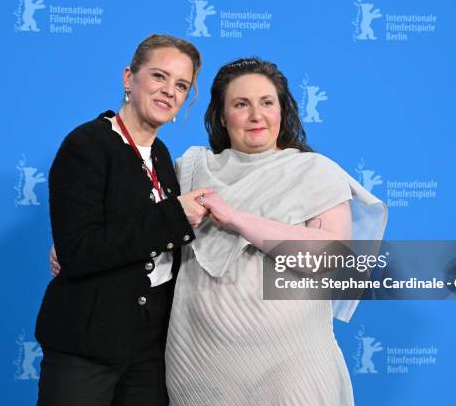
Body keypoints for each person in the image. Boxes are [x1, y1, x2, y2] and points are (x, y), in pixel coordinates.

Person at [165, 58, 387, 405]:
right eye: (241, 104)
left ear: (282, 110)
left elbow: (330, 257)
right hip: (202, 365)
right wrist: (77, 242)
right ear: (223, 116)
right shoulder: (191, 168)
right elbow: (145, 226)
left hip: (294, 363)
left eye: (267, 103)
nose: (256, 115)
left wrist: (237, 219)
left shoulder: (314, 172)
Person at [35, 34, 211, 406]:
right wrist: (174, 216)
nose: (169, 91)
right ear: (129, 78)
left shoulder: (162, 155)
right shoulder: (87, 145)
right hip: (87, 345)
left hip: (149, 350)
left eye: (181, 85)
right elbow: (80, 250)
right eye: (159, 77)